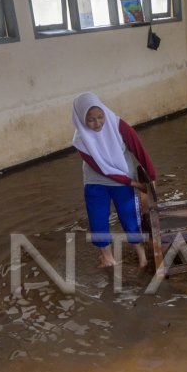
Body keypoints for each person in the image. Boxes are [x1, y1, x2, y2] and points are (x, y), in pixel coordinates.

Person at [71, 92, 158, 269]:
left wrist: (152, 178)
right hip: (96, 182)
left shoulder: (118, 124)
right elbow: (102, 169)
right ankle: (108, 259)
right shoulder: (80, 140)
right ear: (81, 119)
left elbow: (138, 149)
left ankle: (142, 257)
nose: (97, 123)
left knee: (130, 219)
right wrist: (134, 184)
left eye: (100, 117)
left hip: (123, 178)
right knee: (98, 222)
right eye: (91, 120)